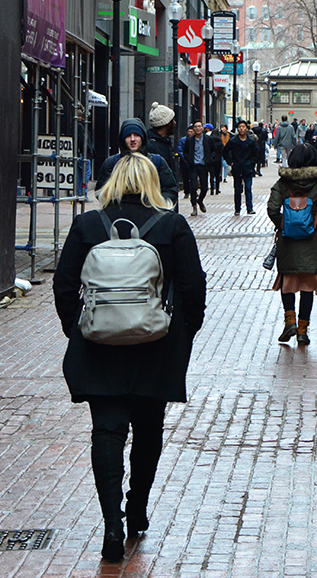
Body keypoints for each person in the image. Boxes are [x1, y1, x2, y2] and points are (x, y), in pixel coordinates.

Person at [53, 154, 206, 562]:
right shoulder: (172, 225)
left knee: (106, 430)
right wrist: (183, 332)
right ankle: (137, 507)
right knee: (148, 429)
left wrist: (78, 329)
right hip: (155, 345)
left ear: (112, 181)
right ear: (154, 182)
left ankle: (111, 524)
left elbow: (65, 283)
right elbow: (193, 286)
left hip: (99, 346)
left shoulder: (88, 225)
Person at [267, 143, 317, 346]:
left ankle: (290, 321)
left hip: (287, 240)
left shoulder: (282, 182)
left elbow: (272, 209)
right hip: (311, 239)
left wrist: (284, 225)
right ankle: (302, 331)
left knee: (287, 281)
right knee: (308, 286)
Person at [96, 118, 180, 208]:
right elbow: (101, 191)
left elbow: (170, 189)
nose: (132, 139)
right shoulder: (111, 163)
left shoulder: (157, 161)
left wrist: (156, 204)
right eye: (128, 136)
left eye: (136, 135)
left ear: (142, 138)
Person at [223, 120, 260, 215]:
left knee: (248, 188)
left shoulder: (251, 141)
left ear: (247, 128)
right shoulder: (233, 141)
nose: (241, 128)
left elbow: (257, 153)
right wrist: (231, 162)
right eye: (239, 127)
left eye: (243, 127)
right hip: (237, 167)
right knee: (238, 189)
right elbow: (225, 151)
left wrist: (252, 162)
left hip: (248, 168)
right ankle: (237, 209)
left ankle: (250, 208)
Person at [177, 125, 196, 201]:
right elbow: (180, 150)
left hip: (193, 162)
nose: (190, 133)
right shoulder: (183, 140)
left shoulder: (196, 140)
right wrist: (184, 159)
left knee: (193, 178)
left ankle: (193, 191)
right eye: (189, 131)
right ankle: (186, 191)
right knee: (185, 178)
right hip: (184, 163)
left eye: (192, 131)